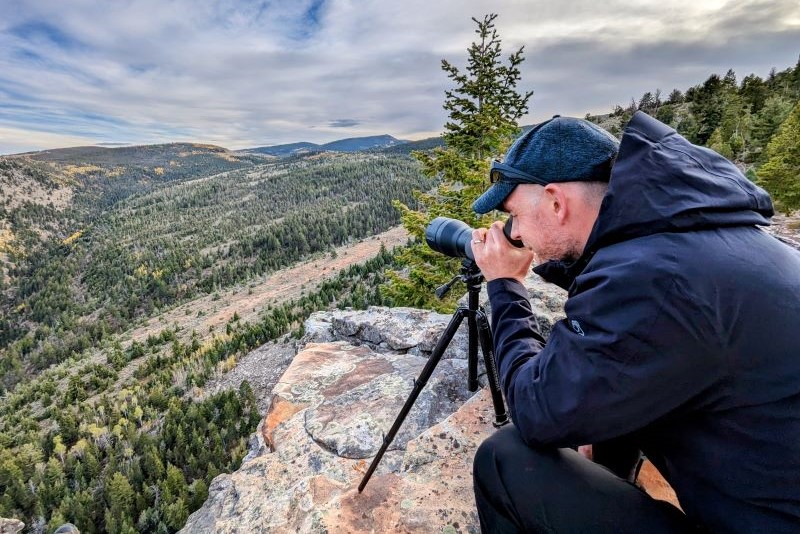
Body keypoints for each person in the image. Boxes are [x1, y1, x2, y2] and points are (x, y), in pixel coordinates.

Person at [469, 111, 800, 532]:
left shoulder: (653, 282)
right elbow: (629, 360)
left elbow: (535, 410)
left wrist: (504, 284)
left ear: (556, 201)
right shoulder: (692, 241)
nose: (513, 232)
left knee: (504, 460)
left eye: (514, 214)